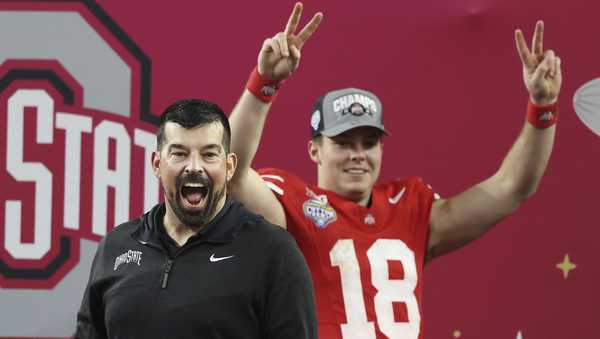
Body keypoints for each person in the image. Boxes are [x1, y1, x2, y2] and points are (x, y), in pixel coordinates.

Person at [228, 3, 561, 339]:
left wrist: (543, 107)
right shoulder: (295, 204)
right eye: (343, 143)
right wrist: (265, 83)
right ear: (315, 150)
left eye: (369, 142)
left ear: (381, 149)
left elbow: (513, 187)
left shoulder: (409, 208)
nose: (358, 155)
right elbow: (231, 170)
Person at [74, 99, 317, 339]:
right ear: (157, 164)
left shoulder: (272, 251)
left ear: (230, 166)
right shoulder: (117, 246)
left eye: (209, 154)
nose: (194, 167)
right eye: (179, 154)